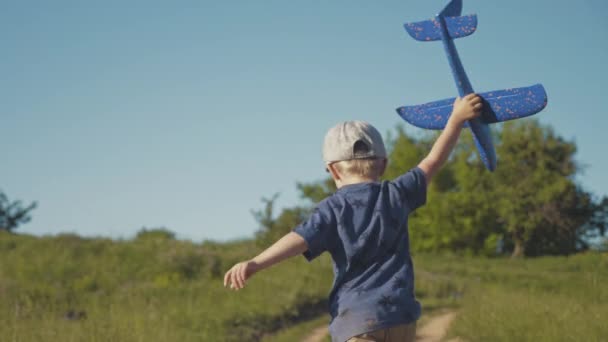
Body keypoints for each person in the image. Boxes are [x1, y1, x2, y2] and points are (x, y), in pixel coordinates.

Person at [223, 94, 483, 342]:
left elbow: (298, 240)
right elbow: (433, 160)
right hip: (401, 319)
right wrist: (456, 120)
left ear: (333, 170)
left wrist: (255, 263)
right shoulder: (397, 194)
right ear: (383, 164)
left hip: (357, 321)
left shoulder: (332, 209)